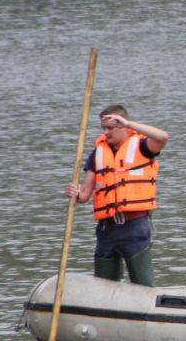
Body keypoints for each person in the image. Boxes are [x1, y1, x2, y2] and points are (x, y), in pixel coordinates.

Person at [65, 104, 169, 285]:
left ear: (123, 127)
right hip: (106, 229)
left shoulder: (142, 146)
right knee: (104, 284)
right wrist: (75, 193)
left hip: (134, 225)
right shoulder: (98, 152)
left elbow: (162, 137)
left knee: (142, 283)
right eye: (104, 128)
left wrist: (129, 123)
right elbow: (84, 195)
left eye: (111, 128)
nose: (106, 132)